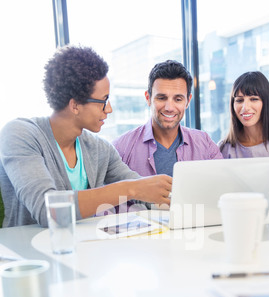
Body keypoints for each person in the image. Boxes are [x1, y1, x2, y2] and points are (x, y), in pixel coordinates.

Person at [0, 46, 172, 228]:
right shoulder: (19, 134)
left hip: (83, 249)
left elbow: (142, 190)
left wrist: (178, 196)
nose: (109, 109)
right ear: (75, 105)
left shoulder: (100, 148)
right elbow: (47, 210)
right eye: (103, 100)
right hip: (29, 252)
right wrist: (130, 189)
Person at [113, 60, 223, 177]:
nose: (169, 108)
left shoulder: (205, 144)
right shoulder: (121, 148)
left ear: (188, 101)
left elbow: (222, 185)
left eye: (178, 99)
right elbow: (115, 195)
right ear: (148, 98)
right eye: (161, 98)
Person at [219, 71, 269, 190]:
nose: (245, 107)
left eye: (253, 99)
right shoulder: (225, 148)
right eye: (239, 100)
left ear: (266, 103)